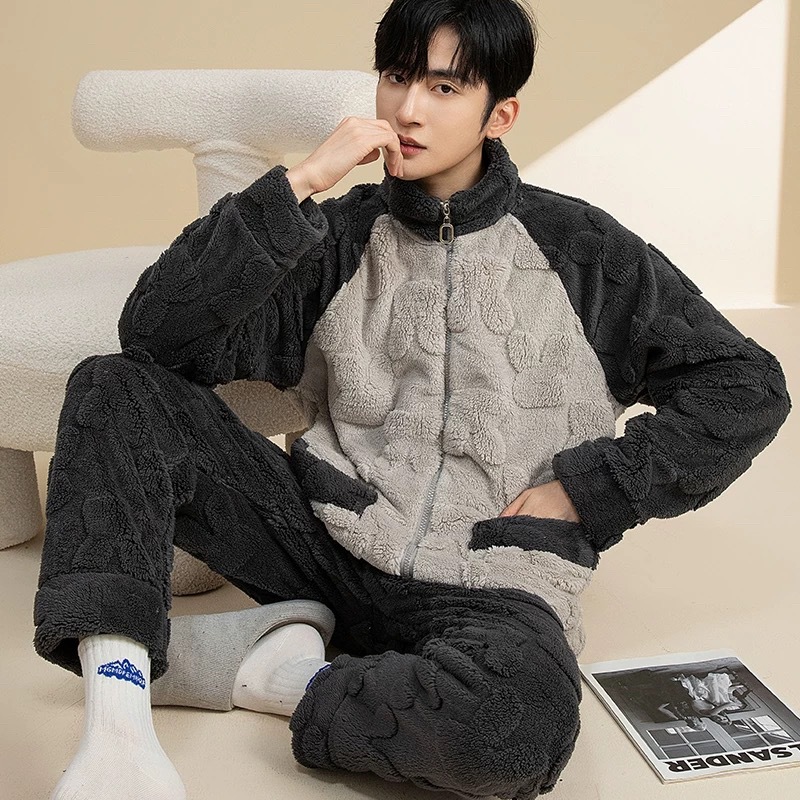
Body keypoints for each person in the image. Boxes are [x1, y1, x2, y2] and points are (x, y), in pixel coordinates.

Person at [33, 1, 792, 798]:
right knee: (114, 387)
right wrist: (299, 184)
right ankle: (116, 729)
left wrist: (589, 490)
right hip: (321, 543)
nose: (407, 109)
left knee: (514, 730)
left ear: (500, 114)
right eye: (396, 78)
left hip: (492, 584)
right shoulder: (336, 238)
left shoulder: (584, 253)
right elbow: (156, 334)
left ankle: (280, 673)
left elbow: (746, 385)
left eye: (443, 87)